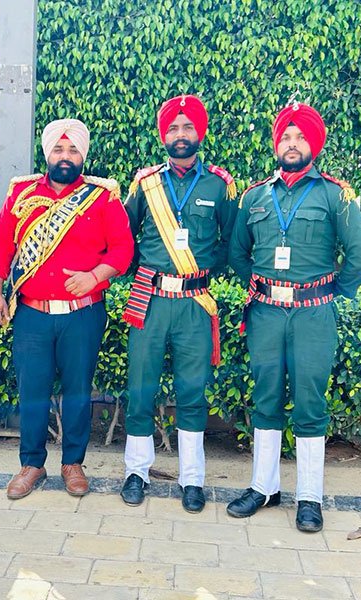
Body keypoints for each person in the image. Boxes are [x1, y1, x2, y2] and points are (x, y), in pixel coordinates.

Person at [227, 102, 361, 532]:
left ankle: (309, 497)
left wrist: (334, 290)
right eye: (285, 138)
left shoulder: (335, 194)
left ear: (314, 144)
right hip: (266, 313)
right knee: (265, 398)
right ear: (277, 144)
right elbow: (238, 252)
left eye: (299, 138)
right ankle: (264, 487)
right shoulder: (254, 196)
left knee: (310, 404)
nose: (291, 145)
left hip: (313, 315)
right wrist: (259, 284)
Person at [0, 118, 134, 500]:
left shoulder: (102, 197)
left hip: (82, 312)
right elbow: (1, 247)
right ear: (46, 152)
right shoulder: (21, 193)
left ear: (83, 155)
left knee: (78, 390)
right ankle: (32, 464)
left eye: (73, 150)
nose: (65, 157)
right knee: (32, 389)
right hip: (32, 313)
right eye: (58, 149)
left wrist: (95, 276)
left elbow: (122, 250)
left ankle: (73, 463)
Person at [119, 95, 237, 513]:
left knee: (192, 392)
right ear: (163, 135)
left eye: (187, 128)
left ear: (198, 133)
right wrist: (148, 273)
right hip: (149, 300)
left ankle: (192, 479)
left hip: (194, 303)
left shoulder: (219, 185)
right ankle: (136, 472)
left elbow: (230, 243)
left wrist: (200, 272)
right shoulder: (145, 183)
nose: (180, 135)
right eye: (173, 128)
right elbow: (124, 240)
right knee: (141, 389)